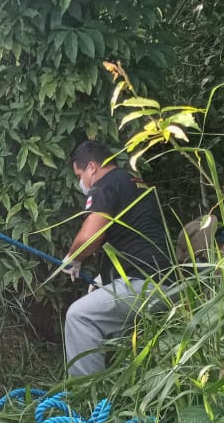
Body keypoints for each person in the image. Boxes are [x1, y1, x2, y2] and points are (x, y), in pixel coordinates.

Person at [61, 140, 173, 377]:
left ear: (92, 167)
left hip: (144, 285)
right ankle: (118, 393)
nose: (81, 183)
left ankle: (85, 400)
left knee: (79, 316)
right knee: (107, 324)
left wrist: (73, 258)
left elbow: (91, 236)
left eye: (80, 175)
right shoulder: (133, 182)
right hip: (168, 281)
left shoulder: (104, 185)